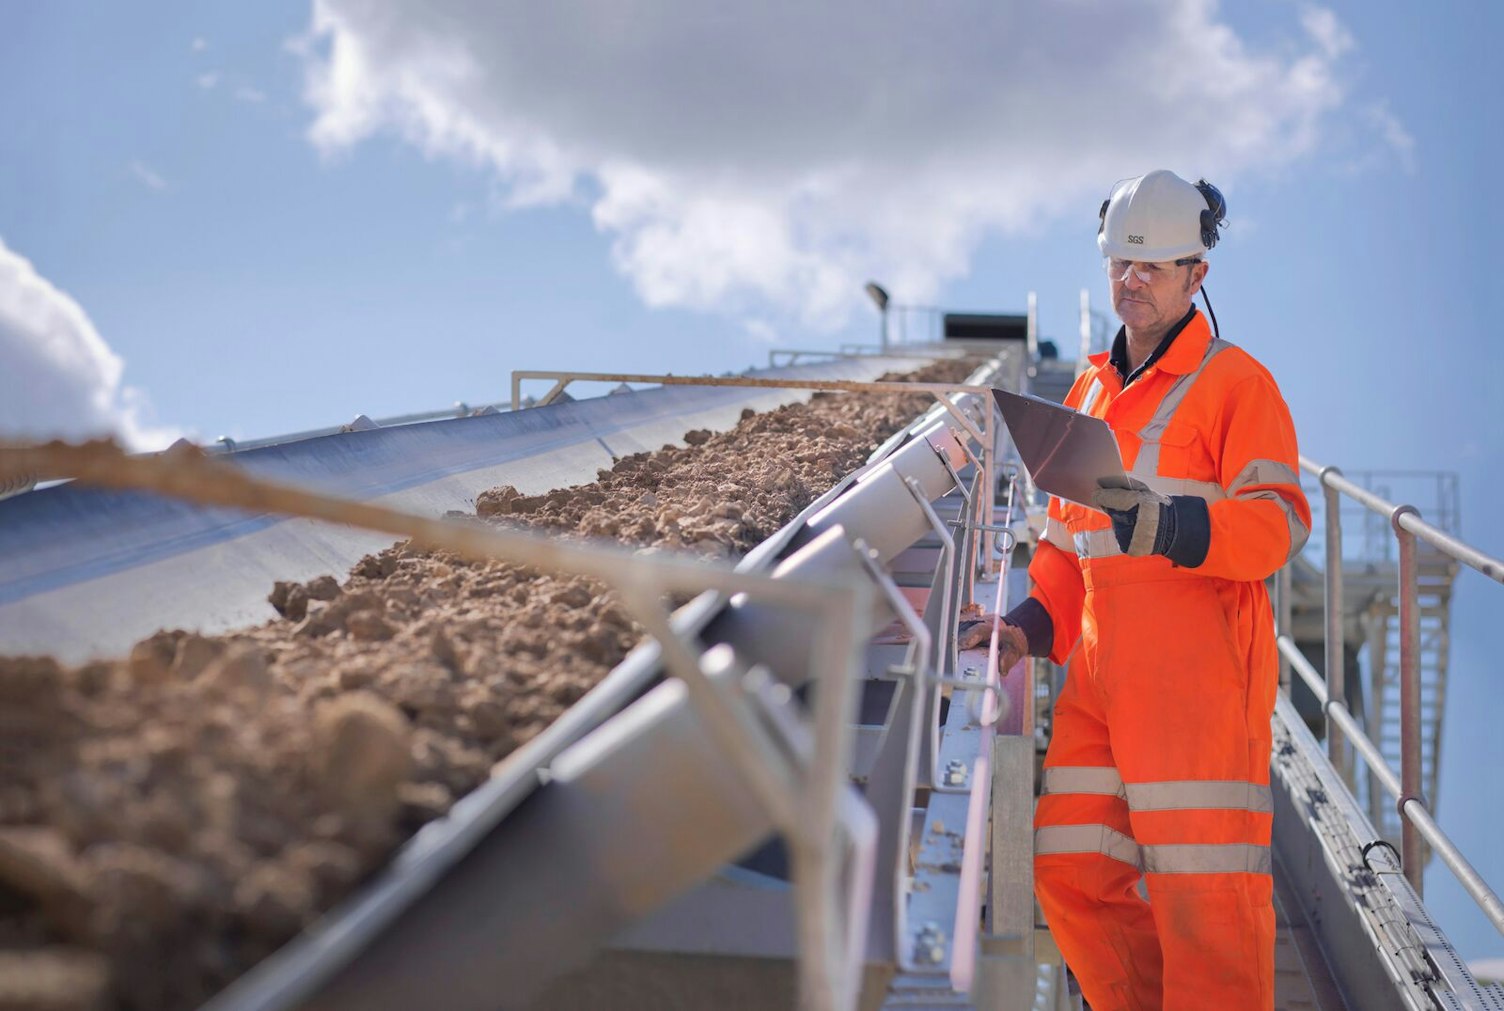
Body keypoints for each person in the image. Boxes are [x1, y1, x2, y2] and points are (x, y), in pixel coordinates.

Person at [964, 169, 1311, 1009]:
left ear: (1198, 274)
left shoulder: (1237, 383)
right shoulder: (1087, 391)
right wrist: (1025, 625)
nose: (1131, 282)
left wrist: (1179, 526)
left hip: (1198, 686)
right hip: (1099, 680)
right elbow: (1063, 545)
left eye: (1152, 267)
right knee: (1068, 868)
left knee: (1207, 906)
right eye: (1122, 263)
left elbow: (1279, 522)